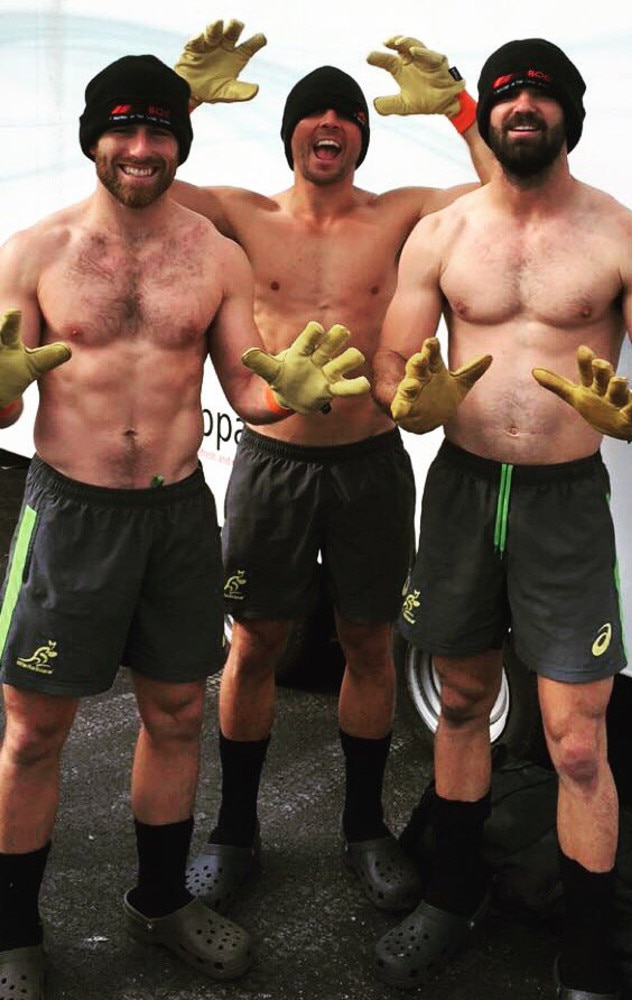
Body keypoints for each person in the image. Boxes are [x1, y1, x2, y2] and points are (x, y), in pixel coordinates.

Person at [0, 53, 369, 998]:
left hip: (173, 515)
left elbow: (248, 392)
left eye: (160, 129)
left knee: (173, 715)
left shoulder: (215, 255)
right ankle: (12, 935)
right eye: (122, 128)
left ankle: (159, 902)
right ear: (94, 139)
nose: (141, 146)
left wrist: (290, 397)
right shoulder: (34, 251)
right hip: (70, 514)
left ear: (180, 143)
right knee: (34, 732)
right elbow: (4, 402)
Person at [169, 18, 495, 923]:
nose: (329, 124)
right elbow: (140, 181)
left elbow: (503, 187)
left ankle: (362, 829)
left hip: (371, 465)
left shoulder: (396, 215)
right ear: (291, 136)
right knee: (255, 645)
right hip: (273, 465)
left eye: (345, 114)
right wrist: (180, 92)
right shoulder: (243, 213)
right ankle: (234, 831)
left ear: (362, 134)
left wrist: (461, 107)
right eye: (312, 113)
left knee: (368, 644)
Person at [371, 36, 632, 1000]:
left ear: (570, 112)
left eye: (541, 92)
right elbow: (392, 365)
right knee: (458, 702)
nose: (522, 105)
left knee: (576, 740)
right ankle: (451, 898)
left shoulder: (623, 234)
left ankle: (583, 964)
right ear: (485, 113)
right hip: (461, 488)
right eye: (506, 93)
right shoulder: (444, 234)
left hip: (564, 504)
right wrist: (409, 403)